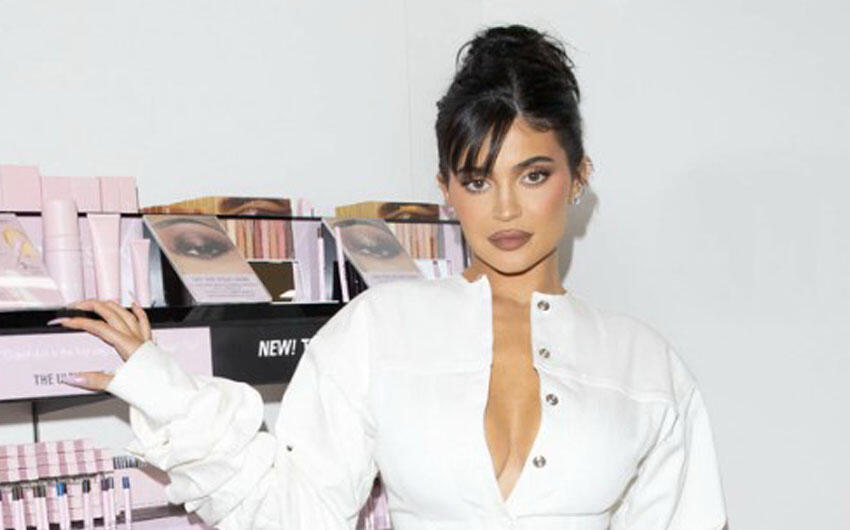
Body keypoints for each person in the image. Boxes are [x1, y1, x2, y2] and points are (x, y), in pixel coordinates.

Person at [55, 24, 728, 530]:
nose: (504, 208)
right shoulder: (380, 332)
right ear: (446, 189)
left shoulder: (647, 367)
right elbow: (294, 514)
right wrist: (167, 393)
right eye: (477, 180)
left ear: (578, 177)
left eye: (533, 174)